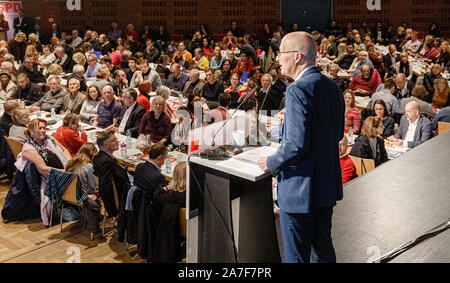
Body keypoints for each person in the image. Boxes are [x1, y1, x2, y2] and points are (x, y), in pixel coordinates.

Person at [257, 32, 345, 263]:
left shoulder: (297, 90)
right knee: (323, 253)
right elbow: (335, 134)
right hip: (324, 187)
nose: (277, 59)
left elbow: (296, 145)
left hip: (299, 192)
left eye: (281, 53)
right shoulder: (332, 87)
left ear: (297, 57)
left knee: (297, 258)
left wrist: (271, 162)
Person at [20, 118, 72, 226]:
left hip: (66, 171)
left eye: (44, 128)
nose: (43, 130)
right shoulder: (29, 148)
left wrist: (70, 164)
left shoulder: (50, 139)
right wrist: (65, 171)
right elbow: (42, 168)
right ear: (31, 130)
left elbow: (64, 150)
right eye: (39, 128)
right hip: (53, 178)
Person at [93, 130, 130, 224]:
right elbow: (105, 188)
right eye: (114, 140)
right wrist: (114, 212)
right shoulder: (106, 162)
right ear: (105, 145)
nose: (117, 142)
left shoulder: (100, 156)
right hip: (124, 196)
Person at [64, 143, 101, 234]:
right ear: (92, 153)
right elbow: (93, 186)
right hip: (84, 196)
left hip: (69, 195)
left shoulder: (71, 162)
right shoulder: (88, 166)